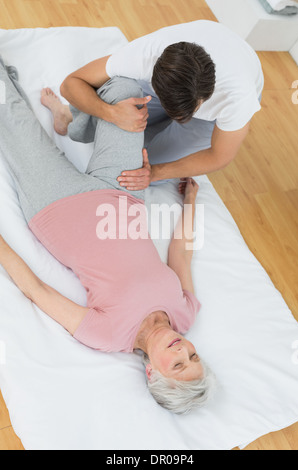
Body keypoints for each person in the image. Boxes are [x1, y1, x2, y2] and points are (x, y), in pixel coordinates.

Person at [0, 58, 215, 414]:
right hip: (123, 192)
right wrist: (190, 201)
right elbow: (181, 256)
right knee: (125, 94)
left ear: (151, 373)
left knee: (10, 116)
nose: (183, 348)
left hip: (55, 204)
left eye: (177, 363)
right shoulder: (185, 314)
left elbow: (37, 291)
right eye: (193, 355)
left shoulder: (108, 336)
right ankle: (73, 123)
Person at [58, 20, 264, 191]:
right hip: (165, 82)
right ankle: (68, 114)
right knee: (110, 120)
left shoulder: (237, 97)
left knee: (137, 169)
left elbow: (220, 156)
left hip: (219, 100)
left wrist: (155, 173)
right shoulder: (145, 55)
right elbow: (70, 84)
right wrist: (110, 113)